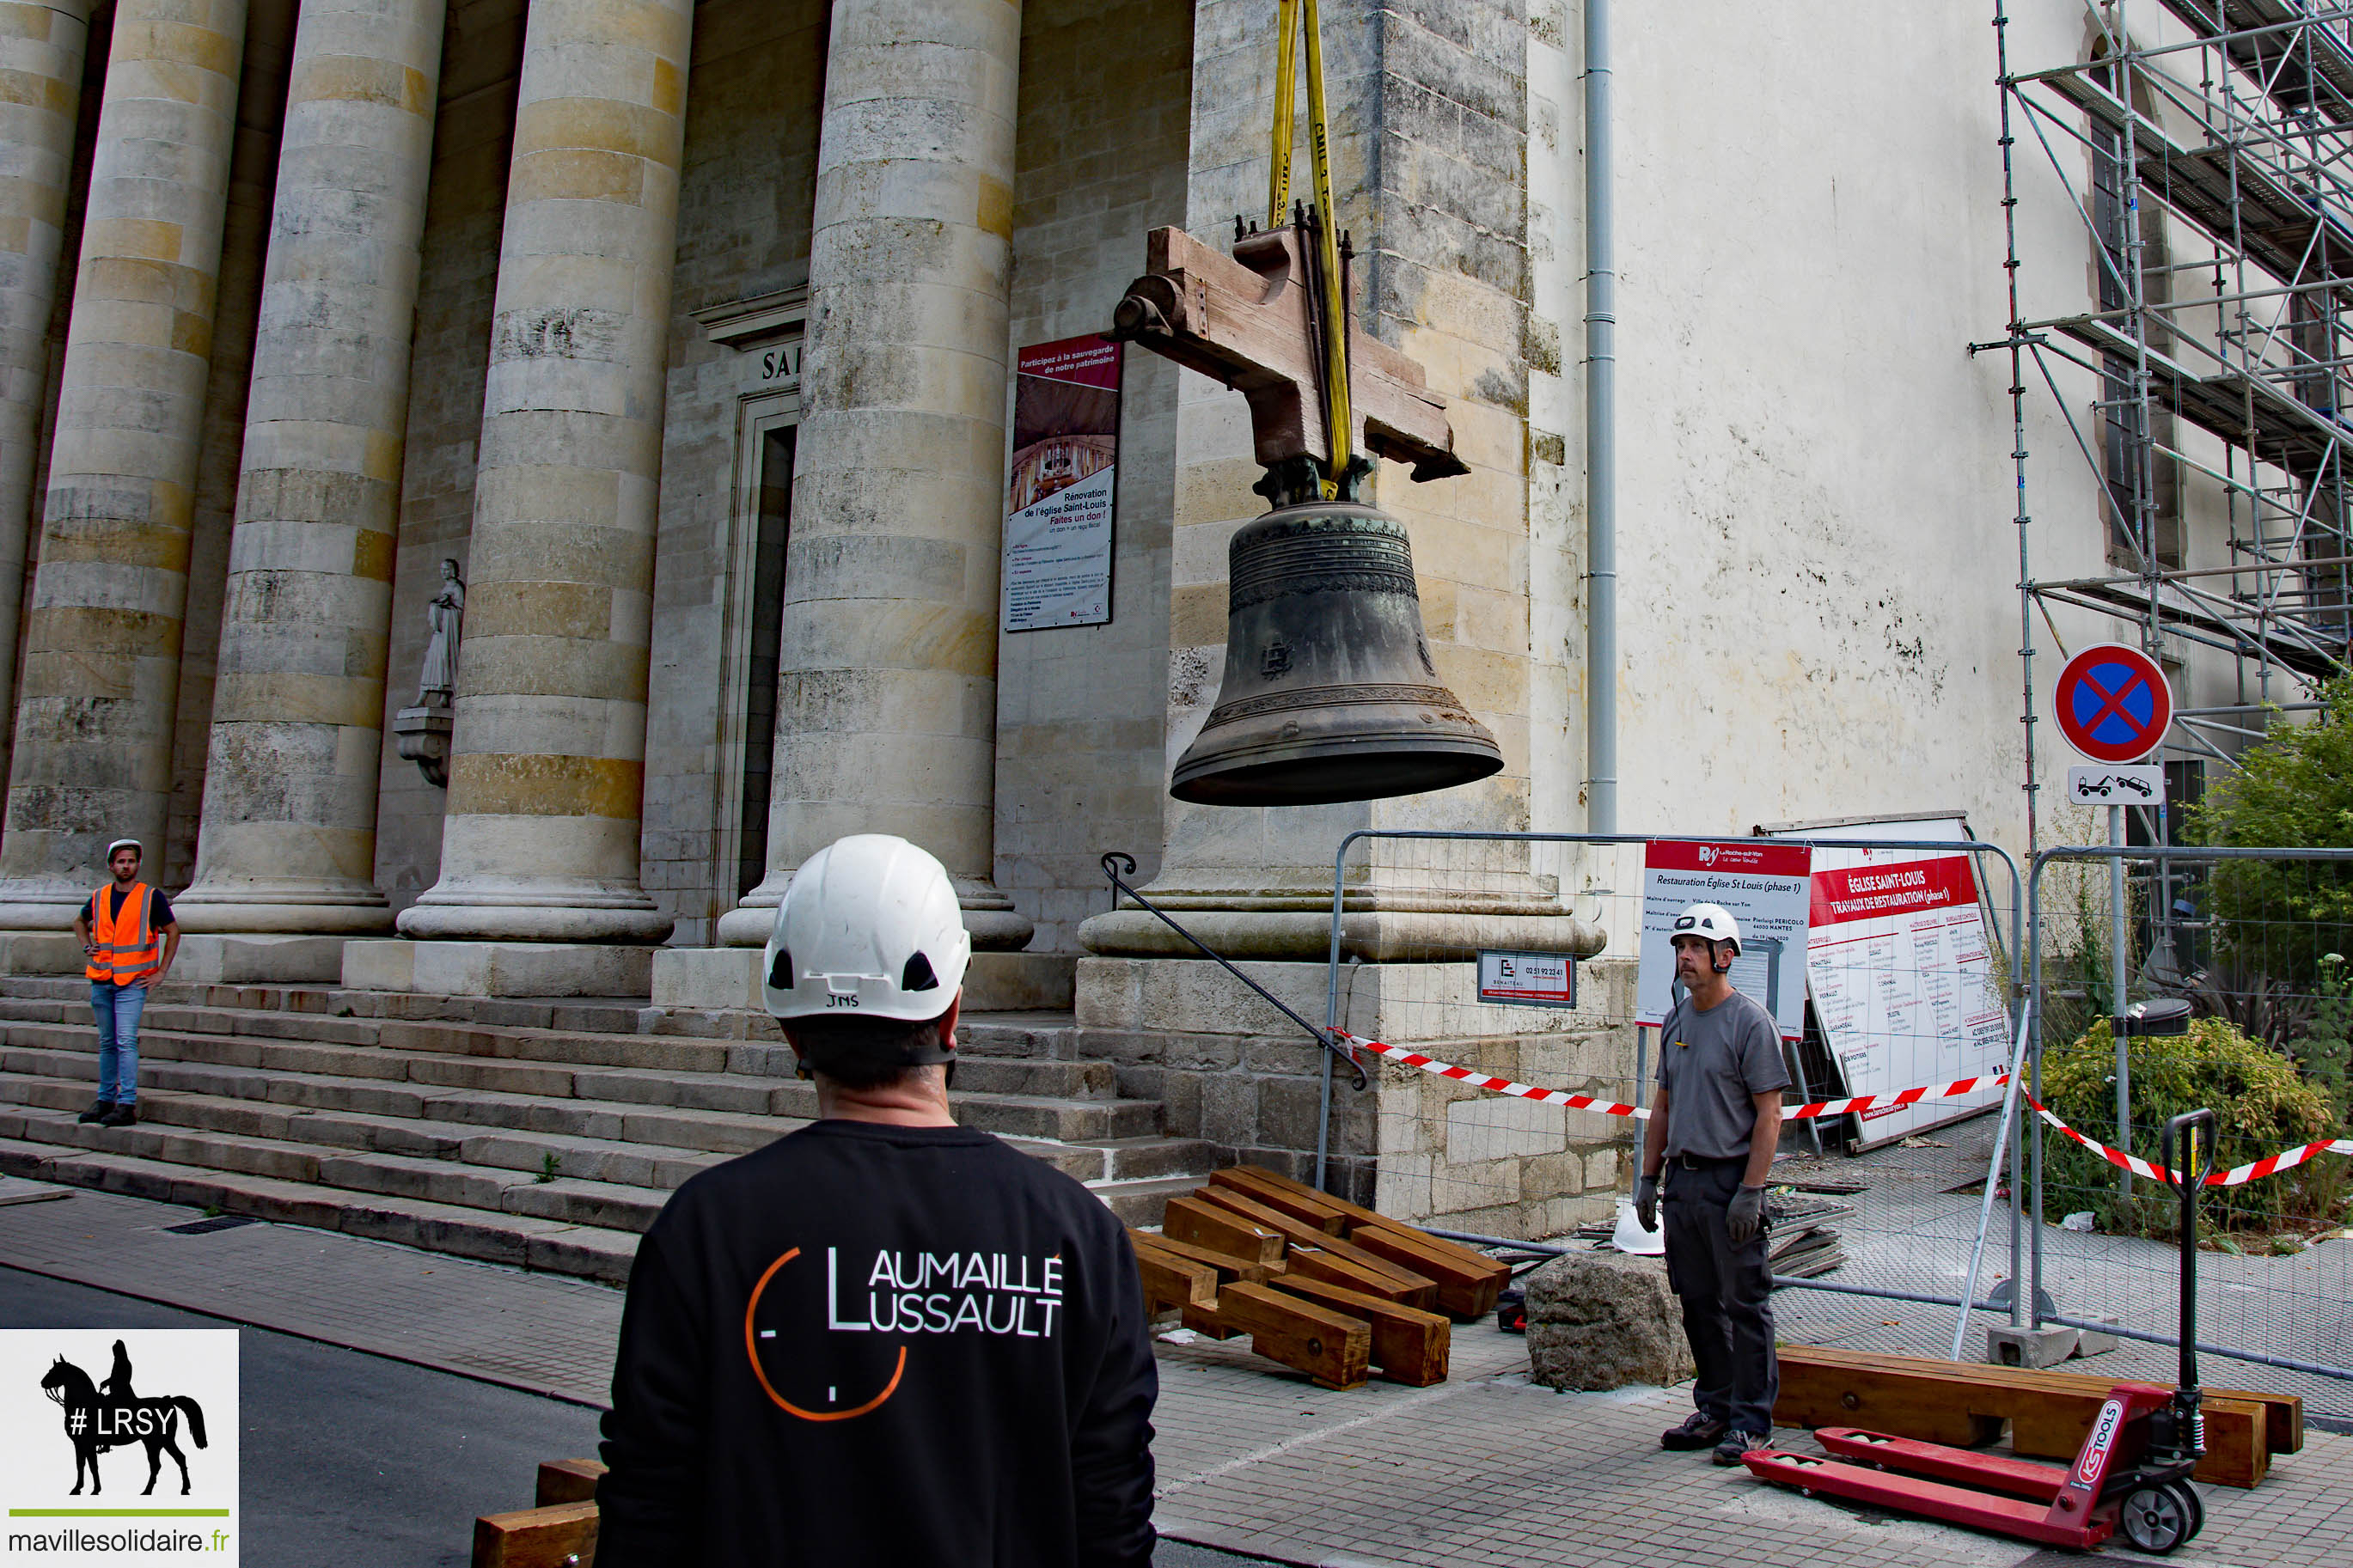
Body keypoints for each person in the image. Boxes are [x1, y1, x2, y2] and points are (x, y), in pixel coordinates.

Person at [596, 833, 1158, 1567]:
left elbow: (647, 1509)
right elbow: (1112, 1519)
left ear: (790, 1027)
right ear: (954, 1011)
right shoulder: (1078, 1236)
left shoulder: (705, 1229)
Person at [1634, 902, 1789, 1466]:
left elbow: (1769, 1113)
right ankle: (1716, 1406)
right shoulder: (1677, 1021)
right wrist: (1649, 1179)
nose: (1685, 958)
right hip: (1685, 1185)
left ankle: (1752, 1421)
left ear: (1725, 956)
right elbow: (1663, 1105)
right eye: (1680, 948)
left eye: (1696, 948)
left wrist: (1751, 1189)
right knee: (1697, 1301)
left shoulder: (1751, 1023)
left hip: (1729, 1183)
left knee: (1745, 1303)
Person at [72, 839, 178, 1129]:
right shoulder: (100, 896)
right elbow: (80, 922)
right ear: (111, 866)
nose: (126, 866)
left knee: (125, 1041)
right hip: (102, 979)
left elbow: (173, 931)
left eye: (131, 861)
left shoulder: (150, 896)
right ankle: (105, 1099)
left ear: (137, 865)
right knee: (108, 1042)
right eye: (121, 861)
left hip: (133, 981)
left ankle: (127, 1103)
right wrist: (86, 946)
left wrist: (161, 972)